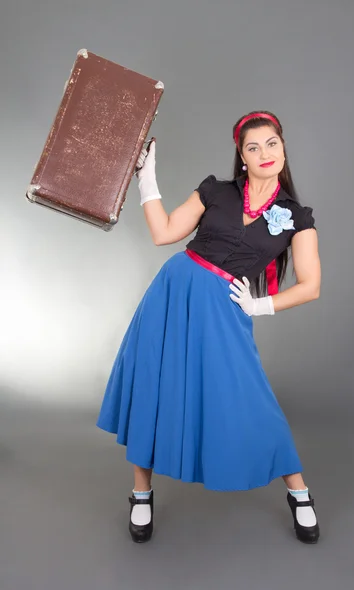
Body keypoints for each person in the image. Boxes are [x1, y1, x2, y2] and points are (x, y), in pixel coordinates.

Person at [97, 111, 321, 545]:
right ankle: (140, 493)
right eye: (253, 147)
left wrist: (260, 306)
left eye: (272, 143)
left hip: (225, 309)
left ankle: (300, 494)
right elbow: (164, 234)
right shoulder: (215, 191)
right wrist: (148, 175)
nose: (265, 153)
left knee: (252, 399)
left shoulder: (296, 216)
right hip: (172, 292)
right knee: (154, 386)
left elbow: (311, 286)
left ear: (283, 147)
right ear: (242, 156)